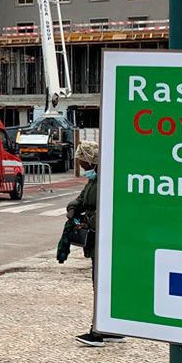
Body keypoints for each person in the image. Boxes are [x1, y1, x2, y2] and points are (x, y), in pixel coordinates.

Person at [69, 141, 125, 347]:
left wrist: (88, 220)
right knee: (101, 282)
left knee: (101, 284)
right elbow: (82, 199)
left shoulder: (107, 180)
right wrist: (73, 208)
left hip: (104, 240)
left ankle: (98, 331)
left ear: (91, 160)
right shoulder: (93, 181)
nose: (81, 165)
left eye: (82, 161)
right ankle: (110, 328)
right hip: (95, 240)